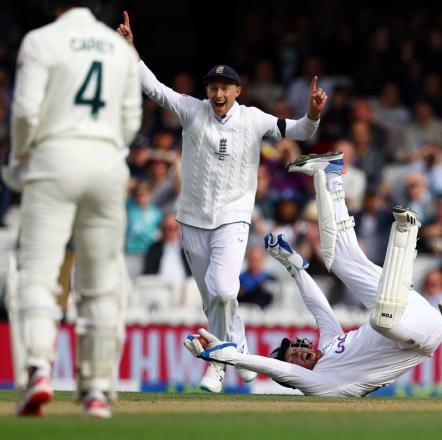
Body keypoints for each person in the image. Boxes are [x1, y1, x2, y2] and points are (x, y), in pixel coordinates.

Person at [117, 12, 327, 392]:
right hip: (192, 220)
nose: (216, 95)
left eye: (223, 88)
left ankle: (217, 364)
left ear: (237, 91)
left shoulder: (253, 119)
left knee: (224, 290)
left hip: (232, 219)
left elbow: (298, 130)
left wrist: (312, 113)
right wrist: (131, 49)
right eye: (212, 87)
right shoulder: (191, 110)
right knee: (212, 298)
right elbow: (154, 88)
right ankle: (240, 345)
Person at [184, 152, 442, 396]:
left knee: (341, 260)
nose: (298, 354)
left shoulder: (330, 344)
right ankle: (405, 238)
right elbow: (272, 367)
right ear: (295, 375)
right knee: (382, 320)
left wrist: (294, 268)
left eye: (295, 350)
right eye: (294, 360)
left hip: (407, 307)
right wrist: (221, 355)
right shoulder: (321, 382)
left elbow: (319, 308)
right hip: (420, 335)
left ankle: (331, 174)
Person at [7, 1, 142, 418]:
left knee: (39, 273)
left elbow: (27, 111)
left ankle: (38, 371)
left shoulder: (41, 40)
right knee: (100, 282)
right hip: (106, 163)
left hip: (54, 160)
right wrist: (102, 146)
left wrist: (18, 156)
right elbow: (131, 121)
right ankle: (97, 389)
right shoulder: (119, 48)